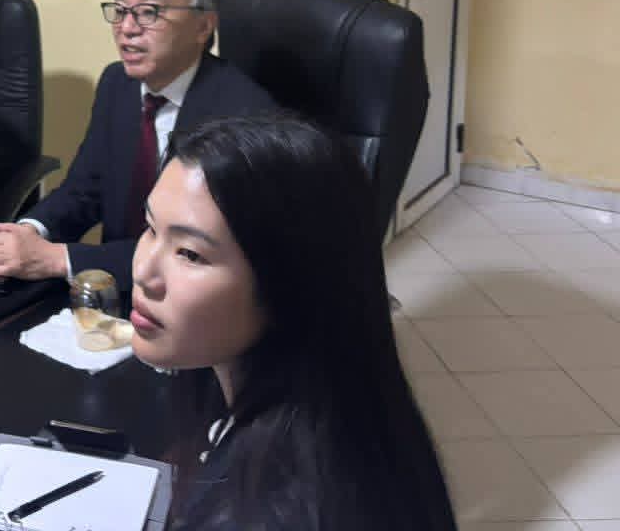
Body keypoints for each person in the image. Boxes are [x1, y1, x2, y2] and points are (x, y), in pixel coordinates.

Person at [131, 115, 457, 531]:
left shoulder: (281, 505)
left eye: (190, 254)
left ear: (288, 283)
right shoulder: (330, 404)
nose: (143, 271)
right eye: (150, 229)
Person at [0, 0, 273, 296]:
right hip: (110, 290)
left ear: (203, 25)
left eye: (149, 12)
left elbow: (192, 252)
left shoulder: (243, 115)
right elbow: (85, 190)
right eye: (121, 10)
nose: (126, 28)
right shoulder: (117, 83)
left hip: (186, 302)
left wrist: (59, 259)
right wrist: (31, 231)